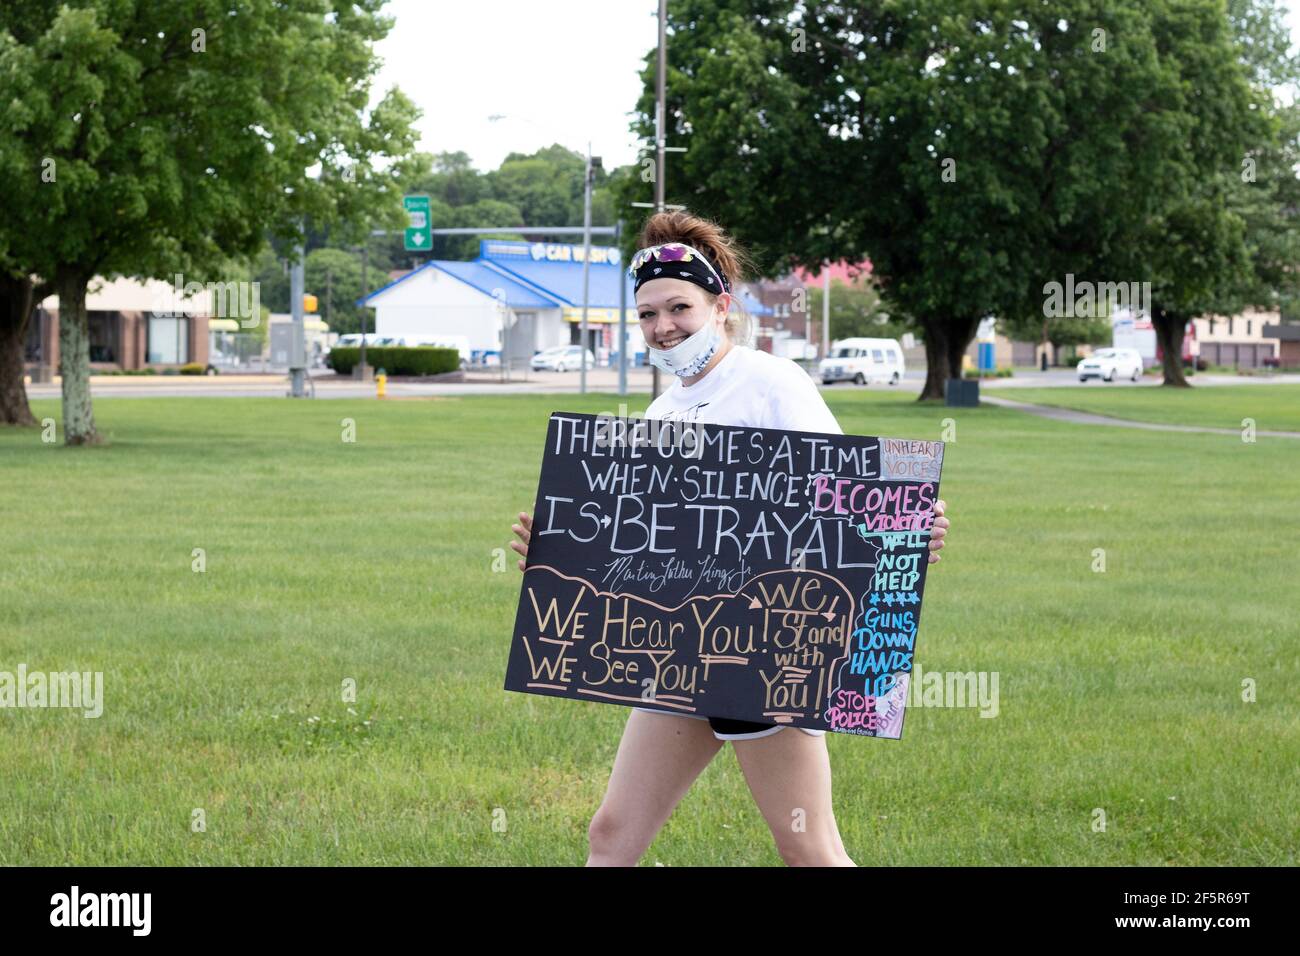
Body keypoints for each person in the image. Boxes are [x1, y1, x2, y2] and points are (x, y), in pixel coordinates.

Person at [510, 210, 951, 866]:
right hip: (681, 651)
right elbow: (647, 548)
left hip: (763, 655)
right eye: (648, 314)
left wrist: (904, 527)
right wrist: (558, 552)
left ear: (721, 306)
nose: (663, 327)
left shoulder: (772, 385)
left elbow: (845, 496)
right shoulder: (661, 412)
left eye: (679, 308)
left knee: (808, 847)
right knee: (611, 835)